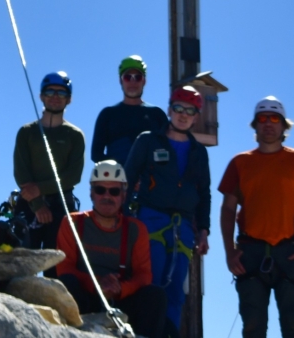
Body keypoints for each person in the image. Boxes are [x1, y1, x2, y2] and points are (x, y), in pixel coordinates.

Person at [219, 98, 294, 338]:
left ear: (284, 126)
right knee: (252, 327)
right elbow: (227, 209)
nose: (268, 123)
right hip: (250, 252)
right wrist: (229, 252)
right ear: (255, 125)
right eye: (263, 118)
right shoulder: (239, 163)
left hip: (292, 252)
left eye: (275, 118)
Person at [124, 86, 211, 338]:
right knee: (150, 282)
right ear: (169, 110)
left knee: (175, 291)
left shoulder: (198, 152)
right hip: (150, 218)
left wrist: (203, 230)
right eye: (178, 108)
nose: (183, 115)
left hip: (183, 226)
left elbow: (204, 193)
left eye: (190, 111)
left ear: (196, 117)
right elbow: (128, 179)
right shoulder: (148, 141)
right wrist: (124, 219)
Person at [56, 161, 167, 338]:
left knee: (155, 296)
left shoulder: (136, 229)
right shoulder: (72, 223)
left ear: (123, 195)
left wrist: (120, 289)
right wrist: (98, 285)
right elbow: (65, 268)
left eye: (114, 191)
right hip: (85, 298)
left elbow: (143, 275)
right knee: (67, 283)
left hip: (121, 300)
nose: (106, 196)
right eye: (100, 190)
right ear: (91, 193)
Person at [12, 71, 86, 274]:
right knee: (23, 265)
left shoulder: (75, 135)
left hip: (62, 205)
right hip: (29, 205)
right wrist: (38, 204)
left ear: (69, 99)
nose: (55, 96)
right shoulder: (27, 132)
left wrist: (39, 189)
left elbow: (73, 176)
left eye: (61, 93)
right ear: (41, 96)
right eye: (50, 91)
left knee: (58, 267)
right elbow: (21, 173)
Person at [92, 56, 169, 164]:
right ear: (121, 81)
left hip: (151, 174)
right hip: (118, 174)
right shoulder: (107, 115)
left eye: (137, 77)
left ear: (144, 81)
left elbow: (168, 150)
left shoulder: (157, 114)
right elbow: (96, 154)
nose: (133, 82)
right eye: (128, 77)